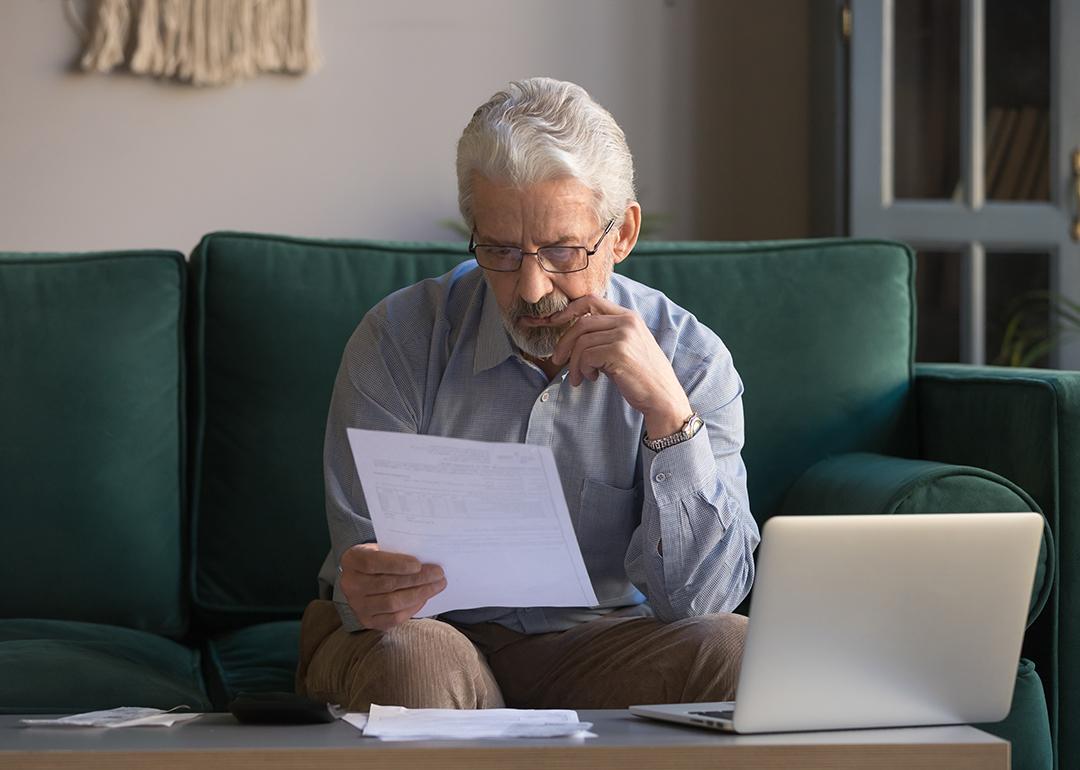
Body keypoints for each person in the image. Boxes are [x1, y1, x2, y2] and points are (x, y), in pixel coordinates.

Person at [296, 77, 760, 710]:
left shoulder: (691, 359)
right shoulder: (400, 340)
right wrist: (371, 585)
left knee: (732, 651)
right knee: (422, 660)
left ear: (620, 235)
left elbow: (701, 603)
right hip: (414, 638)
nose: (532, 288)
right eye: (501, 251)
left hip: (596, 646)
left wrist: (668, 416)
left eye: (563, 251)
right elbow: (366, 574)